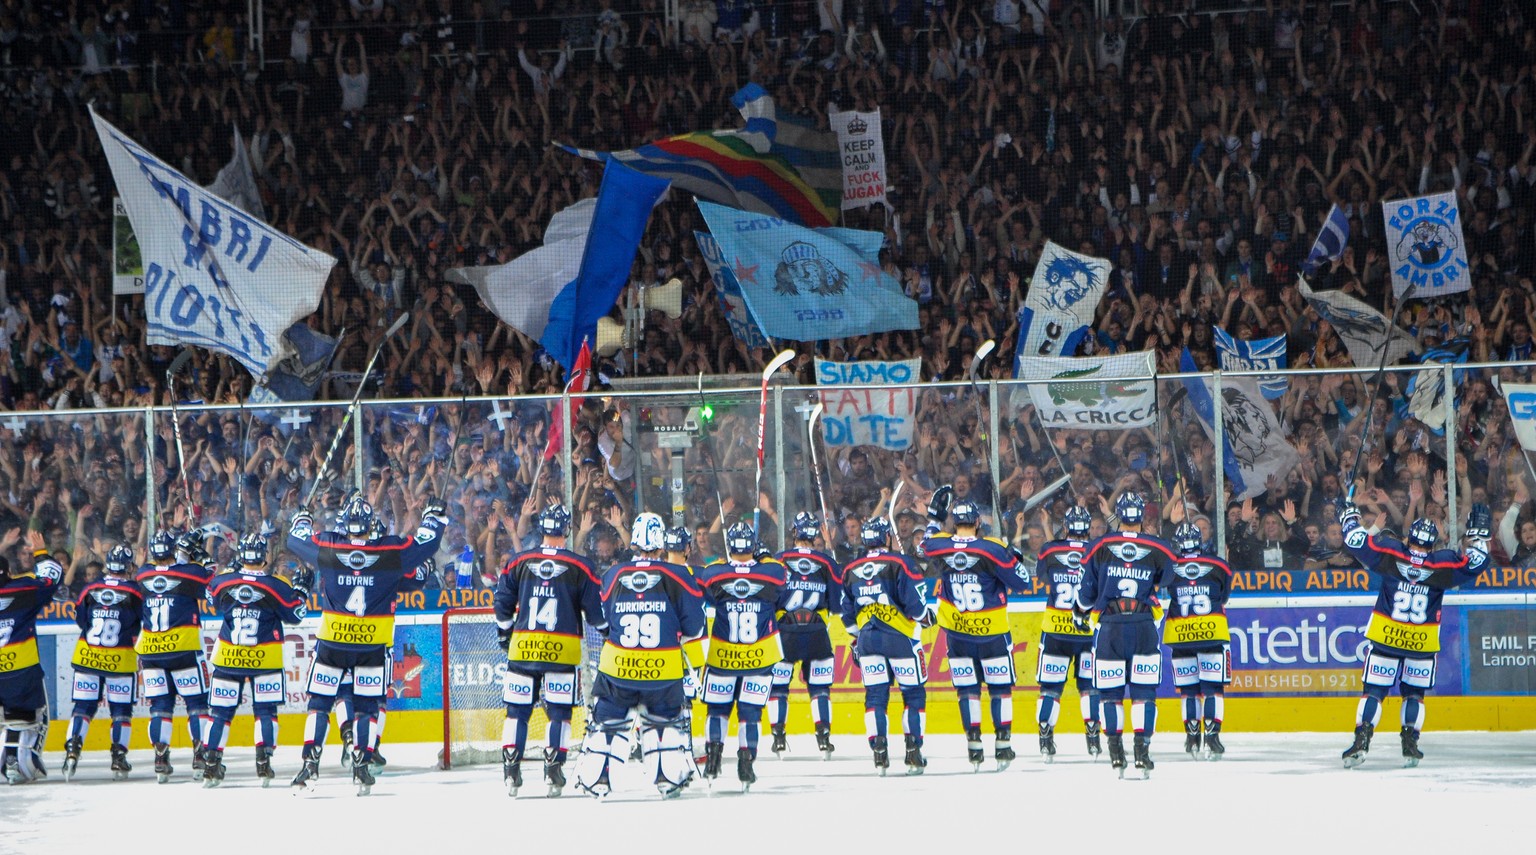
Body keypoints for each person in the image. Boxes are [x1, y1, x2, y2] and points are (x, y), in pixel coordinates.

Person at [286, 493, 446, 795]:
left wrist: (302, 519)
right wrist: (433, 517)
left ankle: (309, 766)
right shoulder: (389, 552)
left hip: (333, 643)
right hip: (372, 645)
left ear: (345, 525)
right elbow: (426, 544)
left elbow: (295, 540)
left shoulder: (329, 546)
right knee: (367, 707)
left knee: (319, 704)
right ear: (372, 526)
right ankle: (361, 766)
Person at [1336, 502, 1490, 768]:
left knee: (1373, 692)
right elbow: (1478, 561)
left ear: (1408, 539)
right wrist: (1478, 537)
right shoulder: (1444, 564)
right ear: (1432, 544)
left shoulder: (1391, 552)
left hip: (1386, 637)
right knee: (1414, 694)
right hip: (1422, 642)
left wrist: (1349, 515)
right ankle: (1410, 744)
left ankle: (1362, 740)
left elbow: (1354, 540)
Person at [574, 513, 706, 799]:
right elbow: (695, 628)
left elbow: (605, 622)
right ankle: (667, 778)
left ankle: (597, 777)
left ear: (633, 541)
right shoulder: (680, 575)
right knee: (663, 723)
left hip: (617, 669)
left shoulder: (613, 574)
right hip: (664, 671)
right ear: (661, 544)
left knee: (609, 723)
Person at [492, 504, 605, 797]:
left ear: (542, 529)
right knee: (559, 714)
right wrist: (608, 633)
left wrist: (505, 633)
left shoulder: (519, 560)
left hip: (523, 650)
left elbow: (502, 604)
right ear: (567, 530)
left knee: (516, 713)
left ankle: (510, 772)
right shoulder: (581, 566)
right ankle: (553, 772)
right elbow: (596, 614)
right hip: (562, 651)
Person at [920, 488, 1032, 771]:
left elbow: (924, 545)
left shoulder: (941, 544)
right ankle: (1003, 746)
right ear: (978, 523)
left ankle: (974, 746)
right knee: (1000, 689)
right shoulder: (992, 548)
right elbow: (1021, 582)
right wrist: (1013, 556)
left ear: (954, 523)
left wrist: (933, 517)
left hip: (957, 635)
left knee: (967, 690)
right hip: (992, 633)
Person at [1073, 492, 1178, 778]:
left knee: (1110, 695)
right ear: (1142, 515)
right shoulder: (1158, 546)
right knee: (1144, 694)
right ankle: (1142, 752)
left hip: (1110, 628)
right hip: (1144, 625)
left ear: (1118, 514)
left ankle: (1116, 753)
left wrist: (1079, 610)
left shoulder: (1099, 545)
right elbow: (1168, 578)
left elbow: (1085, 595)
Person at [202, 534, 312, 787]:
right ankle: (264, 763)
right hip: (265, 658)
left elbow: (211, 598)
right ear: (265, 556)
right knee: (265, 712)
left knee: (219, 713)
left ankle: (211, 762)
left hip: (228, 656)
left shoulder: (223, 581)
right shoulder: (277, 585)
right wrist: (302, 591)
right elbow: (296, 615)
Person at [695, 520, 786, 790]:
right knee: (750, 713)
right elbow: (780, 579)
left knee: (718, 710)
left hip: (723, 657)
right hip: (759, 657)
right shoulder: (771, 571)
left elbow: (706, 589)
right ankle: (746, 764)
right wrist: (762, 557)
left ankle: (713, 759)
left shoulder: (715, 573)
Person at [839, 517, 929, 775]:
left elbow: (847, 615)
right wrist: (926, 618)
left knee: (876, 697)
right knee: (913, 695)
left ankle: (879, 751)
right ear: (887, 537)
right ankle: (913, 751)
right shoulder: (901, 562)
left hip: (868, 640)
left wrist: (859, 636)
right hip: (900, 639)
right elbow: (915, 605)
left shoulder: (850, 569)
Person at [136, 529, 215, 784]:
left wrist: (184, 553)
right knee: (197, 705)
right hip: (184, 649)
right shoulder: (189, 573)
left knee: (160, 707)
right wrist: (197, 555)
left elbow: (168, 572)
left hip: (151, 653)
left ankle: (160, 758)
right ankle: (200, 756)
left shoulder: (143, 574)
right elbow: (211, 578)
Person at [63, 544, 142, 782]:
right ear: (128, 567)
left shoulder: (90, 588)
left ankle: (72, 749)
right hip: (120, 660)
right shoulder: (135, 591)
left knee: (83, 708)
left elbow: (81, 621)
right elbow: (139, 624)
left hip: (88, 657)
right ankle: (118, 756)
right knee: (121, 712)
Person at [771, 512, 842, 758]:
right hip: (816, 634)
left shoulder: (778, 560)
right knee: (820, 689)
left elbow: (770, 600)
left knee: (778, 689)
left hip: (785, 634)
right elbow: (836, 605)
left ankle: (778, 737)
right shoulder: (827, 563)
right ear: (815, 534)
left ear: (794, 532)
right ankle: (824, 738)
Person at [1034, 505, 1101, 762]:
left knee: (1050, 688)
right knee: (1089, 686)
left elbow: (1043, 577)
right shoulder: (1096, 551)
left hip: (1055, 632)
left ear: (1066, 526)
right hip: (1087, 631)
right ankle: (1093, 736)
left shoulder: (1050, 549)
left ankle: (1045, 734)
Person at [1164, 523, 1234, 760]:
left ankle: (1192, 737)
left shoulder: (1171, 567)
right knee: (1213, 690)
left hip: (1180, 635)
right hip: (1211, 634)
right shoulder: (1218, 564)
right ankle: (1212, 739)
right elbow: (1224, 596)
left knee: (1188, 691)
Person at [0, 532, 64, 784]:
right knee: (24, 719)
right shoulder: (23, 589)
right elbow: (52, 578)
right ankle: (14, 762)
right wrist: (41, 552)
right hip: (20, 668)